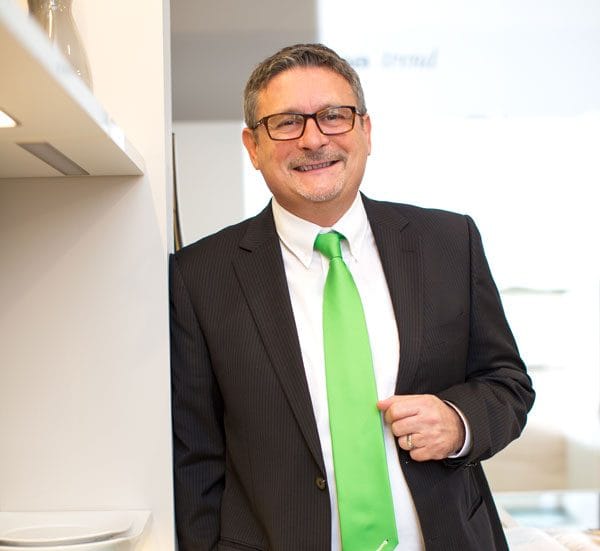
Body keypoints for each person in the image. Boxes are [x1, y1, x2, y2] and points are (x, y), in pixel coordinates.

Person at [170, 43, 535, 551]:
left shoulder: (450, 243)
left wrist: (459, 422)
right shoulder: (198, 276)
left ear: (365, 130)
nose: (313, 138)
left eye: (334, 116)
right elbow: (194, 456)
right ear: (252, 146)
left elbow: (507, 383)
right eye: (286, 122)